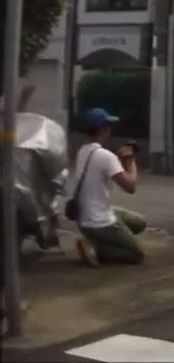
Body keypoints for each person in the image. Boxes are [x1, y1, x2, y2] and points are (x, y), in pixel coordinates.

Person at [68, 108, 146, 266]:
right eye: (108, 126)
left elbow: (101, 169)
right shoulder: (106, 156)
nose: (110, 130)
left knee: (140, 222)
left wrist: (120, 161)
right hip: (100, 223)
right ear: (102, 129)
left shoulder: (83, 151)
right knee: (136, 255)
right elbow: (130, 186)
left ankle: (98, 240)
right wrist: (131, 161)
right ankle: (95, 248)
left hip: (84, 219)